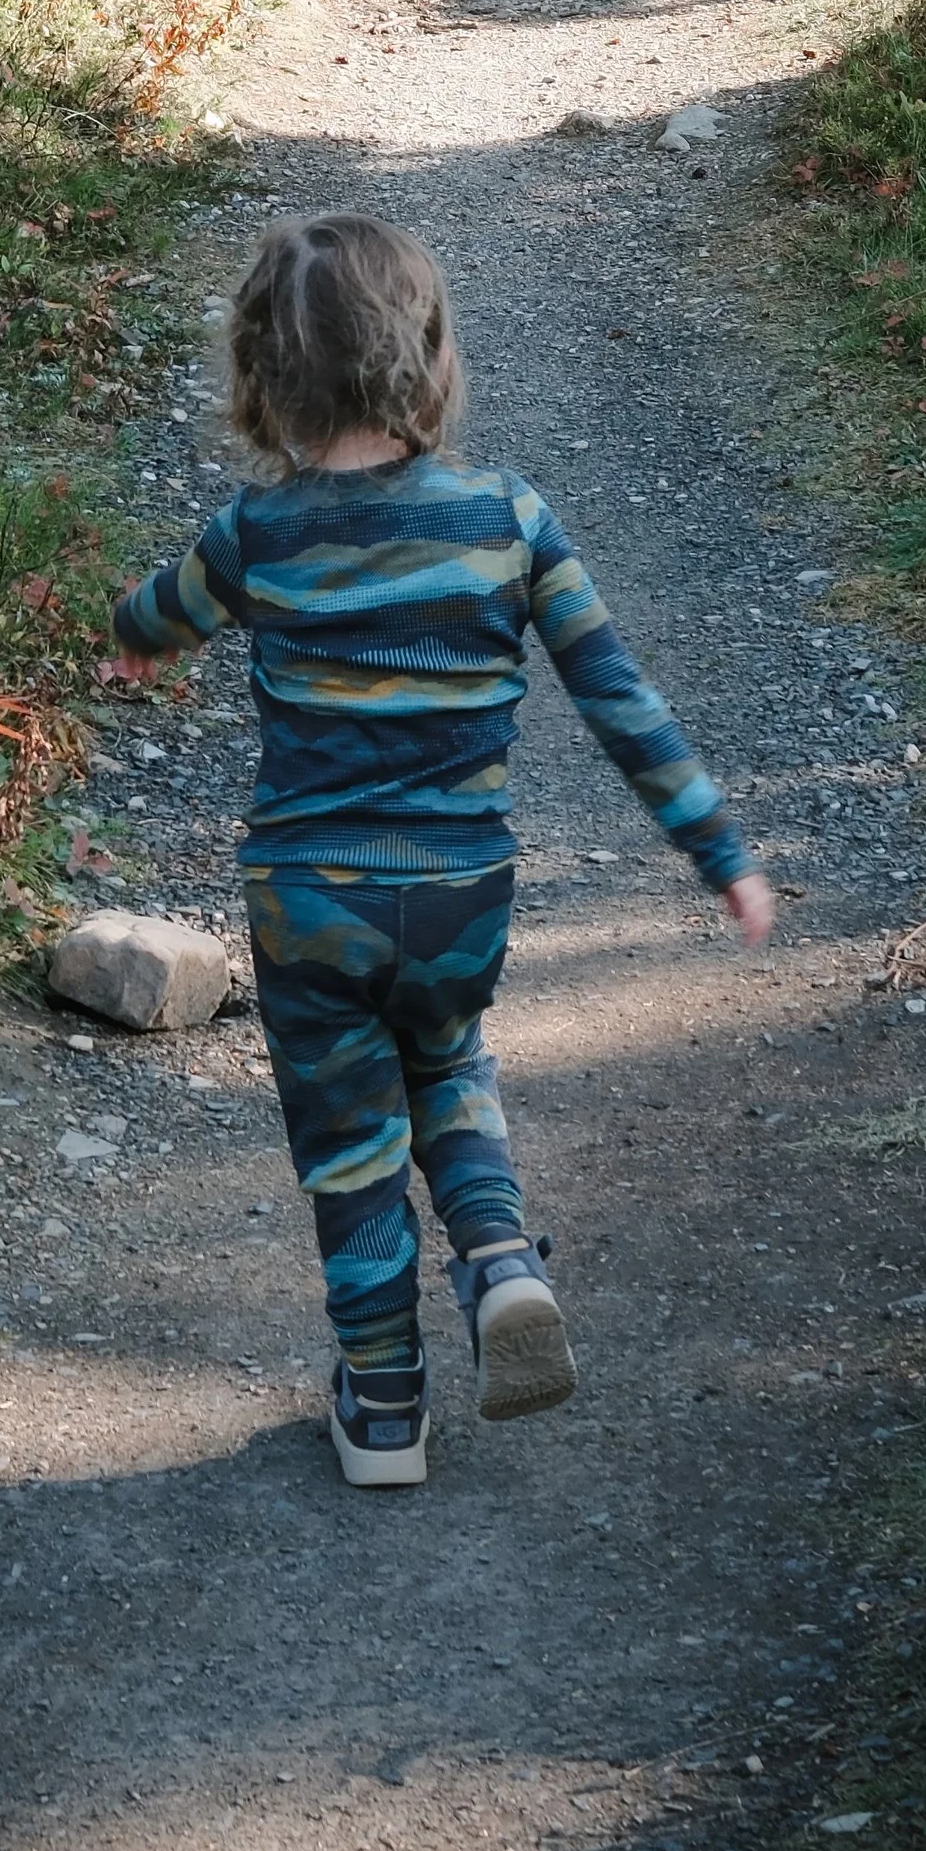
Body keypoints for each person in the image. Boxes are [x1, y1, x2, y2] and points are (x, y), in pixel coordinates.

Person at [110, 212, 776, 1489]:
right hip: (460, 892)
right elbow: (620, 699)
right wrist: (720, 854)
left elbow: (155, 613)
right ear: (426, 356)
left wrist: (131, 638)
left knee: (350, 1148)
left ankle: (384, 1409)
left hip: (311, 900)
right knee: (449, 1063)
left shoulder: (257, 535)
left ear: (262, 373)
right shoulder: (507, 521)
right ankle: (500, 1260)